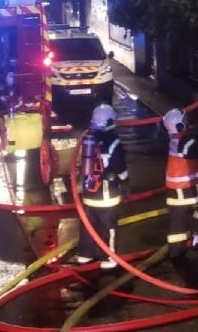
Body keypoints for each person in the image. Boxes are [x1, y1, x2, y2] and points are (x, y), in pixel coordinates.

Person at [70, 104, 128, 269]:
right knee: (108, 227)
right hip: (106, 195)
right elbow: (120, 166)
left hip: (89, 193)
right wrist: (125, 182)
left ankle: (85, 255)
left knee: (89, 225)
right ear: (110, 120)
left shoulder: (88, 138)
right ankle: (108, 258)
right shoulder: (113, 141)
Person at [162, 108, 198, 258]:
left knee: (177, 223)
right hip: (187, 188)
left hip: (177, 189)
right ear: (179, 126)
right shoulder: (185, 141)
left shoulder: (175, 139)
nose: (188, 124)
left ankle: (176, 252)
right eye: (185, 122)